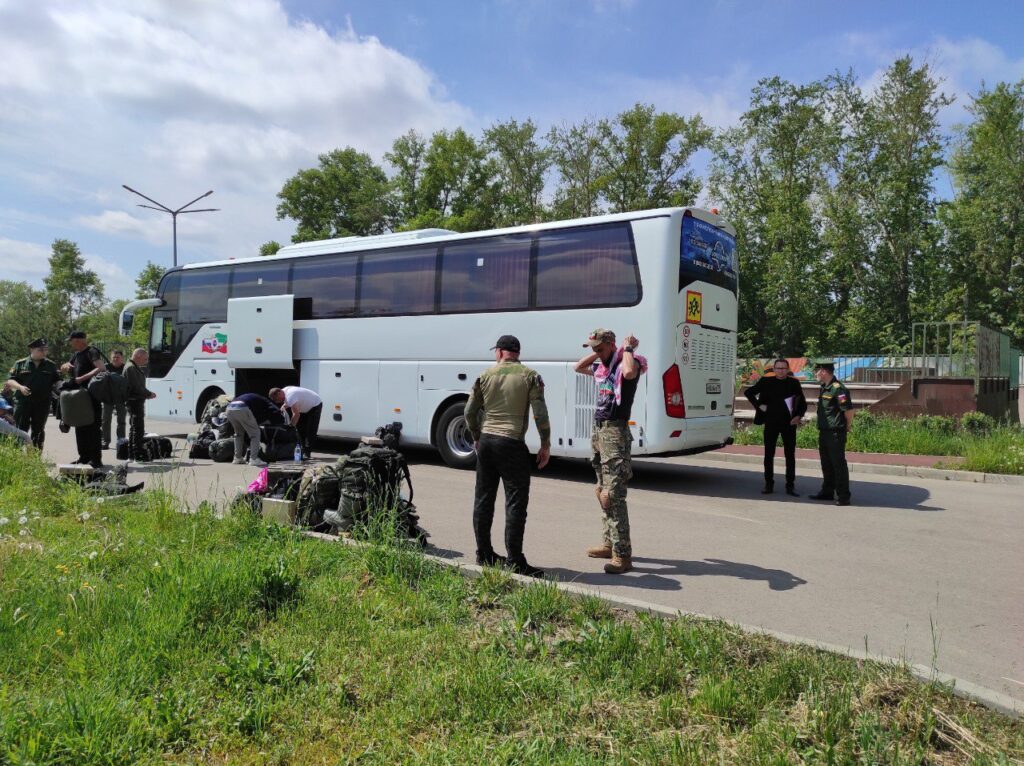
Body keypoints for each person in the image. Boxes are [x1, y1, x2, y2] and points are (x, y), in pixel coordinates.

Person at [464, 335, 551, 578]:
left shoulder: (484, 376)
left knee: (483, 499)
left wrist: (476, 436)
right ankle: (515, 560)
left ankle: (484, 553)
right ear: (516, 352)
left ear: (501, 352)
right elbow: (540, 413)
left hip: (488, 442)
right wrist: (545, 443)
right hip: (512, 443)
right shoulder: (530, 376)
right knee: (515, 502)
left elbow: (469, 411)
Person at [574, 328, 647, 575]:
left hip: (616, 432)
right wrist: (597, 354)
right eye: (593, 348)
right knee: (600, 489)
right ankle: (609, 544)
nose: (596, 352)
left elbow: (628, 372)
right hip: (600, 429)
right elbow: (578, 367)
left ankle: (623, 556)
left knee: (613, 495)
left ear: (612, 344)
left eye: (600, 347)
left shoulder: (628, 363)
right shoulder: (603, 367)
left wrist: (627, 349)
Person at [744, 358, 807, 495]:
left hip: (788, 424)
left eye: (783, 368)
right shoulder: (767, 381)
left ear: (788, 369)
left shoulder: (794, 383)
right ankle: (768, 484)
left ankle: (790, 486)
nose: (781, 371)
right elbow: (748, 393)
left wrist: (798, 416)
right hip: (771, 423)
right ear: (774, 369)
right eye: (778, 368)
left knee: (790, 455)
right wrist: (759, 406)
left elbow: (803, 403)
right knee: (769, 454)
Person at [809, 360, 854, 506]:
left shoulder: (838, 389)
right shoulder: (824, 387)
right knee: (826, 463)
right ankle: (827, 492)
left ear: (823, 371)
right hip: (824, 431)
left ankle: (843, 496)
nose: (815, 374)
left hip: (835, 432)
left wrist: (848, 425)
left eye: (817, 371)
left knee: (838, 464)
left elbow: (848, 410)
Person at [60, 330, 106, 469]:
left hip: (91, 395)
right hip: (79, 397)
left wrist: (82, 378)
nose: (70, 343)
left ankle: (95, 460)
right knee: (80, 426)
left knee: (92, 427)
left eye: (72, 340)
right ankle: (84, 457)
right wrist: (65, 366)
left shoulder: (91, 351)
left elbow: (101, 368)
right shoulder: (76, 354)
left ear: (79, 340)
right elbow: (67, 367)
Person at [6, 338, 60, 449]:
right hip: (23, 402)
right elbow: (10, 380)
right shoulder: (20, 364)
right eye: (41, 350)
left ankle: (35, 457)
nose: (44, 352)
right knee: (20, 428)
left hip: (42, 403)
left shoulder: (50, 365)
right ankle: (17, 455)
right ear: (32, 349)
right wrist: (20, 387)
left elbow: (57, 381)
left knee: (39, 429)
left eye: (46, 350)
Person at [224, 392, 281, 467]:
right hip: (241, 408)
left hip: (229, 409)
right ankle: (253, 459)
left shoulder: (251, 397)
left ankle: (237, 458)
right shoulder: (265, 401)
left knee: (238, 434)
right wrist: (280, 415)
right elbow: (274, 410)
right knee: (255, 434)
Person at [268, 385, 322, 460]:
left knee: (310, 430)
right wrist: (283, 408)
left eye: (278, 399)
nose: (279, 402)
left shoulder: (290, 395)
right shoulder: (284, 391)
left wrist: (290, 427)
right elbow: (288, 403)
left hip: (315, 404)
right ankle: (302, 450)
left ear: (279, 392)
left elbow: (296, 414)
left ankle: (307, 453)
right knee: (300, 429)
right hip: (305, 407)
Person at [123, 348, 157, 462]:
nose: (146, 361)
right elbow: (136, 386)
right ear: (138, 355)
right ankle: (136, 454)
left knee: (135, 428)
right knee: (138, 428)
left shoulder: (132, 367)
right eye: (145, 358)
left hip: (135, 400)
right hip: (134, 401)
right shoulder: (131, 368)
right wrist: (149, 394)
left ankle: (132, 455)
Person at [101, 349, 127, 450]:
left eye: (117, 357)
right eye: (113, 357)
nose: (115, 359)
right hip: (108, 397)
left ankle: (121, 441)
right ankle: (105, 441)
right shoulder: (106, 367)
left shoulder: (125, 368)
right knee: (105, 420)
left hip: (121, 398)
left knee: (121, 421)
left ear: (122, 358)